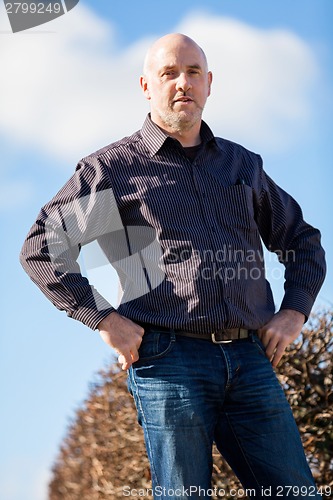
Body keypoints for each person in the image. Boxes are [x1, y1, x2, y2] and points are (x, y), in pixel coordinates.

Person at [20, 33, 326, 499]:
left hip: (250, 359)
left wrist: (294, 311)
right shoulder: (115, 171)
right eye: (169, 73)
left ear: (209, 84)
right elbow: (43, 249)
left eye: (193, 73)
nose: (182, 83)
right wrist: (102, 317)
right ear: (146, 85)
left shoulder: (240, 166)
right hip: (169, 363)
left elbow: (302, 242)